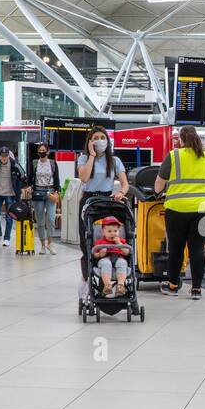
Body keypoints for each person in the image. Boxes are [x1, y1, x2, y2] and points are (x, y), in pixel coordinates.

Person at [154, 125, 205, 300]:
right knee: (197, 248)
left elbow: (159, 181)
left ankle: (173, 286)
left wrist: (157, 192)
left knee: (176, 248)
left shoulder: (174, 156)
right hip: (203, 209)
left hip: (177, 208)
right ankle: (196, 289)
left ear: (180, 139)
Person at [77, 126, 129, 287]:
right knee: (87, 240)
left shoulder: (114, 161)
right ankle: (87, 279)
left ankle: (107, 275)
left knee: (108, 236)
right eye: (95, 138)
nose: (99, 141)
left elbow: (125, 183)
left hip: (107, 201)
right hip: (89, 201)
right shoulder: (83, 159)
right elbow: (84, 178)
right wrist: (92, 156)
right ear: (90, 142)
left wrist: (121, 192)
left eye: (102, 137)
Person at [0, 145, 26, 247]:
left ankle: (7, 238)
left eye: (6, 155)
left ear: (8, 156)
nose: (4, 158)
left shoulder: (14, 165)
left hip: (11, 194)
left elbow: (24, 176)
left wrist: (19, 188)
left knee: (10, 216)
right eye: (2, 155)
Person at [28, 141, 59, 255]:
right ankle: (42, 245)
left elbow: (57, 179)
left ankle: (50, 243)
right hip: (38, 192)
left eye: (43, 150)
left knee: (50, 219)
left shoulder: (53, 163)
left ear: (48, 152)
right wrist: (28, 187)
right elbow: (30, 177)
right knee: (40, 221)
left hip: (50, 192)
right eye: (40, 151)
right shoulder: (34, 163)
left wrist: (57, 192)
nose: (42, 152)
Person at [91, 215, 132, 298]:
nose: (113, 233)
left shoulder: (121, 241)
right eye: (109, 231)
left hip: (119, 258)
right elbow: (94, 255)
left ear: (119, 232)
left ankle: (120, 285)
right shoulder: (100, 242)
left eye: (115, 231)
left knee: (122, 263)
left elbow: (127, 252)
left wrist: (119, 244)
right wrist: (99, 254)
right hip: (104, 259)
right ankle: (107, 285)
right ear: (103, 232)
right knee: (105, 263)